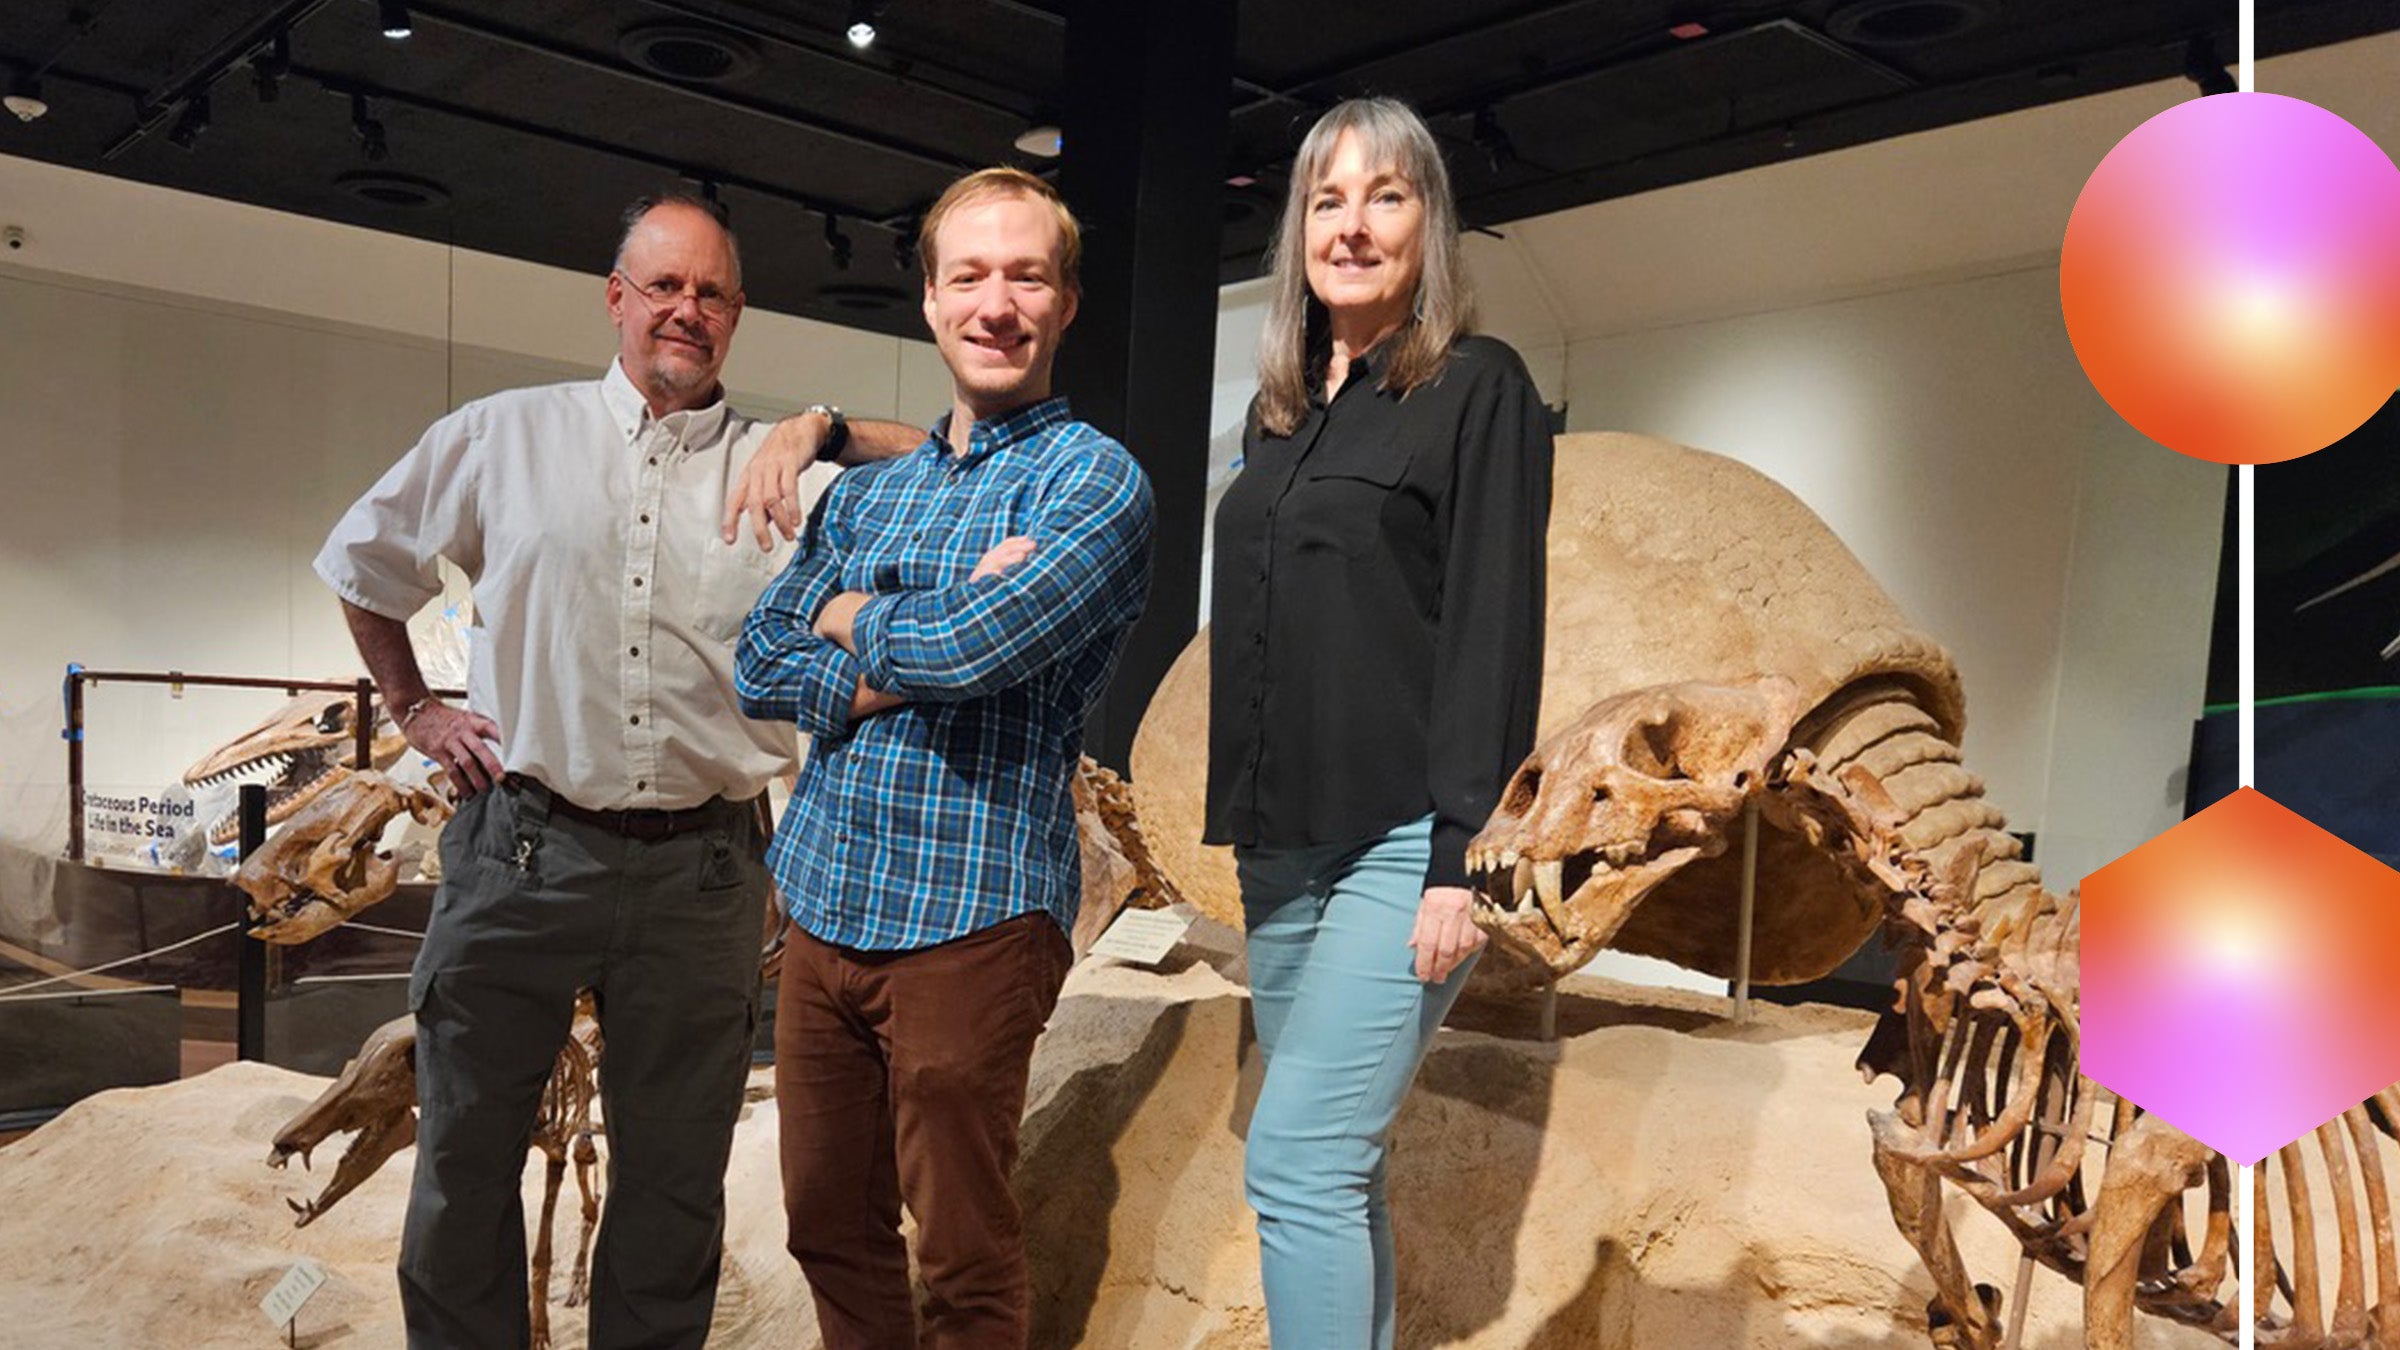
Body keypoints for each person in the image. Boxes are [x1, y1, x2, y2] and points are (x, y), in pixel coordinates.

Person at [317, 191, 907, 1348]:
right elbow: (363, 560)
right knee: (462, 1169)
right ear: (617, 300)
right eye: (665, 287)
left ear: (737, 317)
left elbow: (956, 450)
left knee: (675, 1187)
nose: (686, 311)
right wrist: (416, 708)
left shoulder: (787, 475)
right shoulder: (503, 435)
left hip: (705, 878)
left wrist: (824, 426)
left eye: (712, 293)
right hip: (518, 849)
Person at [735, 165, 1154, 1350]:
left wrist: (848, 613)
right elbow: (758, 661)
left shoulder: (1097, 484)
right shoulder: (874, 491)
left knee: (963, 1253)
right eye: (968, 276)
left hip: (971, 916)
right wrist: (908, 618)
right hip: (822, 902)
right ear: (927, 300)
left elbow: (980, 651)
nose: (996, 303)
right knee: (825, 1221)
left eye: (1027, 276)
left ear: (1066, 301)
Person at [1203, 97, 1554, 1350]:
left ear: (1429, 221)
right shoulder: (1278, 415)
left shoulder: (1479, 387)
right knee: (1336, 1171)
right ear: (1298, 227)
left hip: (1402, 846)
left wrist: (1463, 852)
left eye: (1385, 196)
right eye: (1326, 199)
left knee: (1292, 1166)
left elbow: (1495, 629)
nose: (1352, 225)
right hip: (1278, 849)